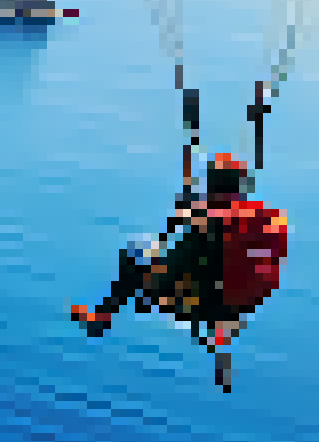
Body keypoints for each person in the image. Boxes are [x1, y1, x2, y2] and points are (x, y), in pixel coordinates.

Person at [69, 153, 288, 391]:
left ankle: (100, 319)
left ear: (213, 185)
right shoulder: (269, 219)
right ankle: (219, 334)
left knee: (135, 252)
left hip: (202, 305)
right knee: (204, 272)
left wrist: (183, 219)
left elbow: (174, 265)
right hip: (241, 306)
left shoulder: (208, 223)